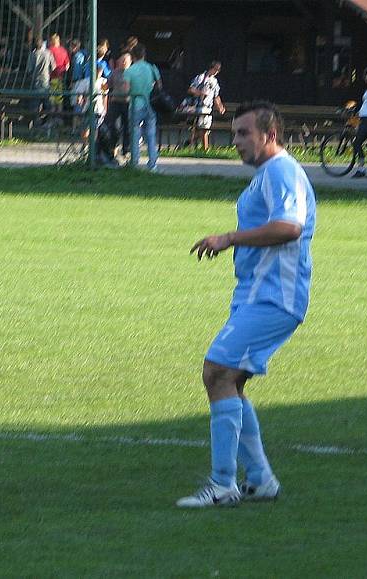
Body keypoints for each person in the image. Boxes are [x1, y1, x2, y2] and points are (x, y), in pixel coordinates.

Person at [179, 101, 316, 508]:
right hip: (256, 294)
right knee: (230, 380)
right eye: (234, 133)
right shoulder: (267, 175)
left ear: (269, 135)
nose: (235, 141)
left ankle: (223, 484)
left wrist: (229, 238)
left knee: (216, 371)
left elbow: (289, 227)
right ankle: (260, 480)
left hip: (276, 296)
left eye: (243, 134)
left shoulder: (281, 171)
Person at [123, 44, 160, 171]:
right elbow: (159, 85)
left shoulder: (129, 71)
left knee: (134, 133)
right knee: (151, 134)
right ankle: (153, 164)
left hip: (135, 105)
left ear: (133, 56)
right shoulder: (152, 68)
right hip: (149, 104)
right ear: (144, 55)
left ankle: (134, 161)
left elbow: (126, 90)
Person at [187, 61, 225, 151]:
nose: (216, 72)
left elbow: (216, 96)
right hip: (200, 106)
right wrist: (201, 93)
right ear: (211, 68)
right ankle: (205, 149)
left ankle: (189, 143)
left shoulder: (214, 81)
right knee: (204, 129)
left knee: (204, 129)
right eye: (215, 69)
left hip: (208, 107)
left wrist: (220, 106)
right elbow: (191, 89)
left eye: (218, 70)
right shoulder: (200, 78)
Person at [105, 52, 132, 158]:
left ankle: (126, 150)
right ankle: (113, 147)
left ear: (130, 62)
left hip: (128, 102)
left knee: (128, 127)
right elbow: (107, 85)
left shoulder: (132, 73)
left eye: (126, 60)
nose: (124, 62)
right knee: (113, 126)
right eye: (122, 60)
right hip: (115, 102)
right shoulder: (115, 72)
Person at [27, 36, 55, 120]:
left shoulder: (32, 54)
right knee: (47, 103)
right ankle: (47, 121)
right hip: (46, 81)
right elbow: (53, 66)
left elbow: (29, 69)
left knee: (35, 104)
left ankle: (36, 122)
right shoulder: (48, 53)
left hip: (36, 81)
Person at [48, 33, 70, 112]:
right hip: (60, 78)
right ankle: (59, 119)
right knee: (59, 99)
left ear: (51, 41)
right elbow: (67, 65)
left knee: (52, 100)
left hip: (51, 78)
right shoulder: (63, 50)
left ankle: (51, 119)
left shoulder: (49, 50)